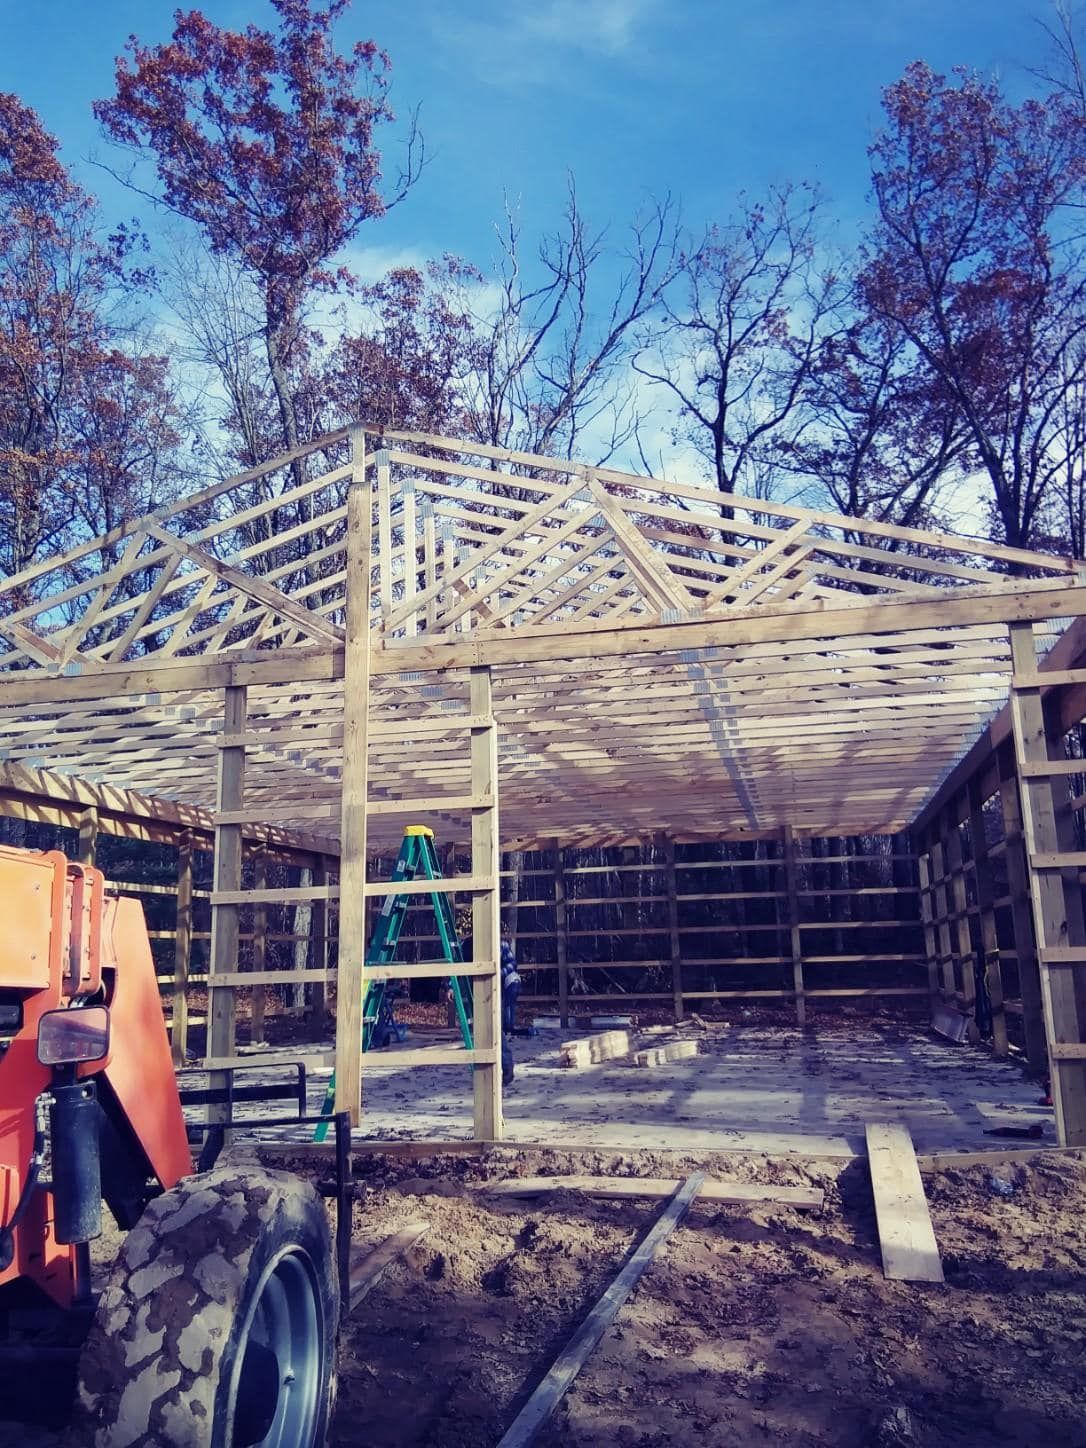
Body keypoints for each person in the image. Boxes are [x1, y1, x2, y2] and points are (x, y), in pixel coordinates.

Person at [500, 940, 522, 1087]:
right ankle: (508, 1025)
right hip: (496, 985)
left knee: (507, 1007)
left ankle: (509, 1025)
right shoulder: (467, 945)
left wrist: (497, 972)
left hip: (508, 982)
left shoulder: (501, 945)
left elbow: (512, 964)